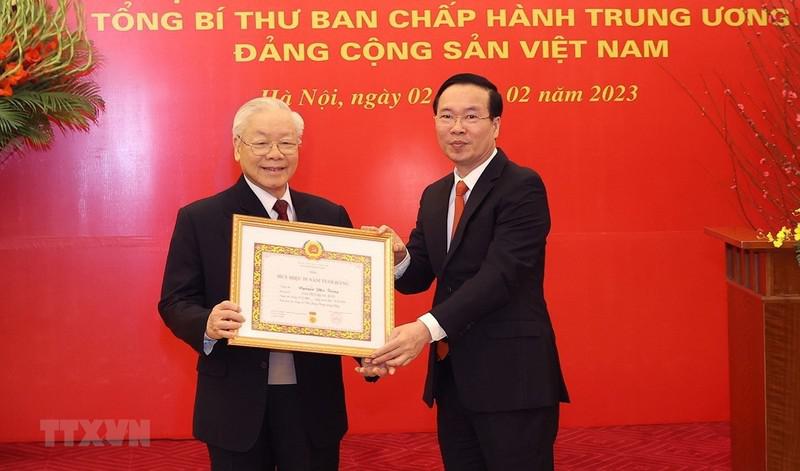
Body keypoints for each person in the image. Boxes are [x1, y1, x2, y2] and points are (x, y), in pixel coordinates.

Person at [360, 73, 570, 470]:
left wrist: (424, 329)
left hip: (512, 379)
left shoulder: (522, 186)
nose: (457, 128)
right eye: (447, 116)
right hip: (454, 377)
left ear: (496, 124)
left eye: (471, 116)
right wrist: (398, 256)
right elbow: (419, 274)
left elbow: (500, 277)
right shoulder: (435, 194)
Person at [159, 97, 356, 471]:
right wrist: (207, 323)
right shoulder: (201, 218)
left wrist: (368, 350)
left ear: (299, 147)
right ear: (238, 147)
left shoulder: (329, 215)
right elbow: (175, 302)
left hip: (312, 401)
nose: (275, 154)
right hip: (235, 402)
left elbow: (347, 301)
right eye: (261, 142)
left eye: (286, 142)